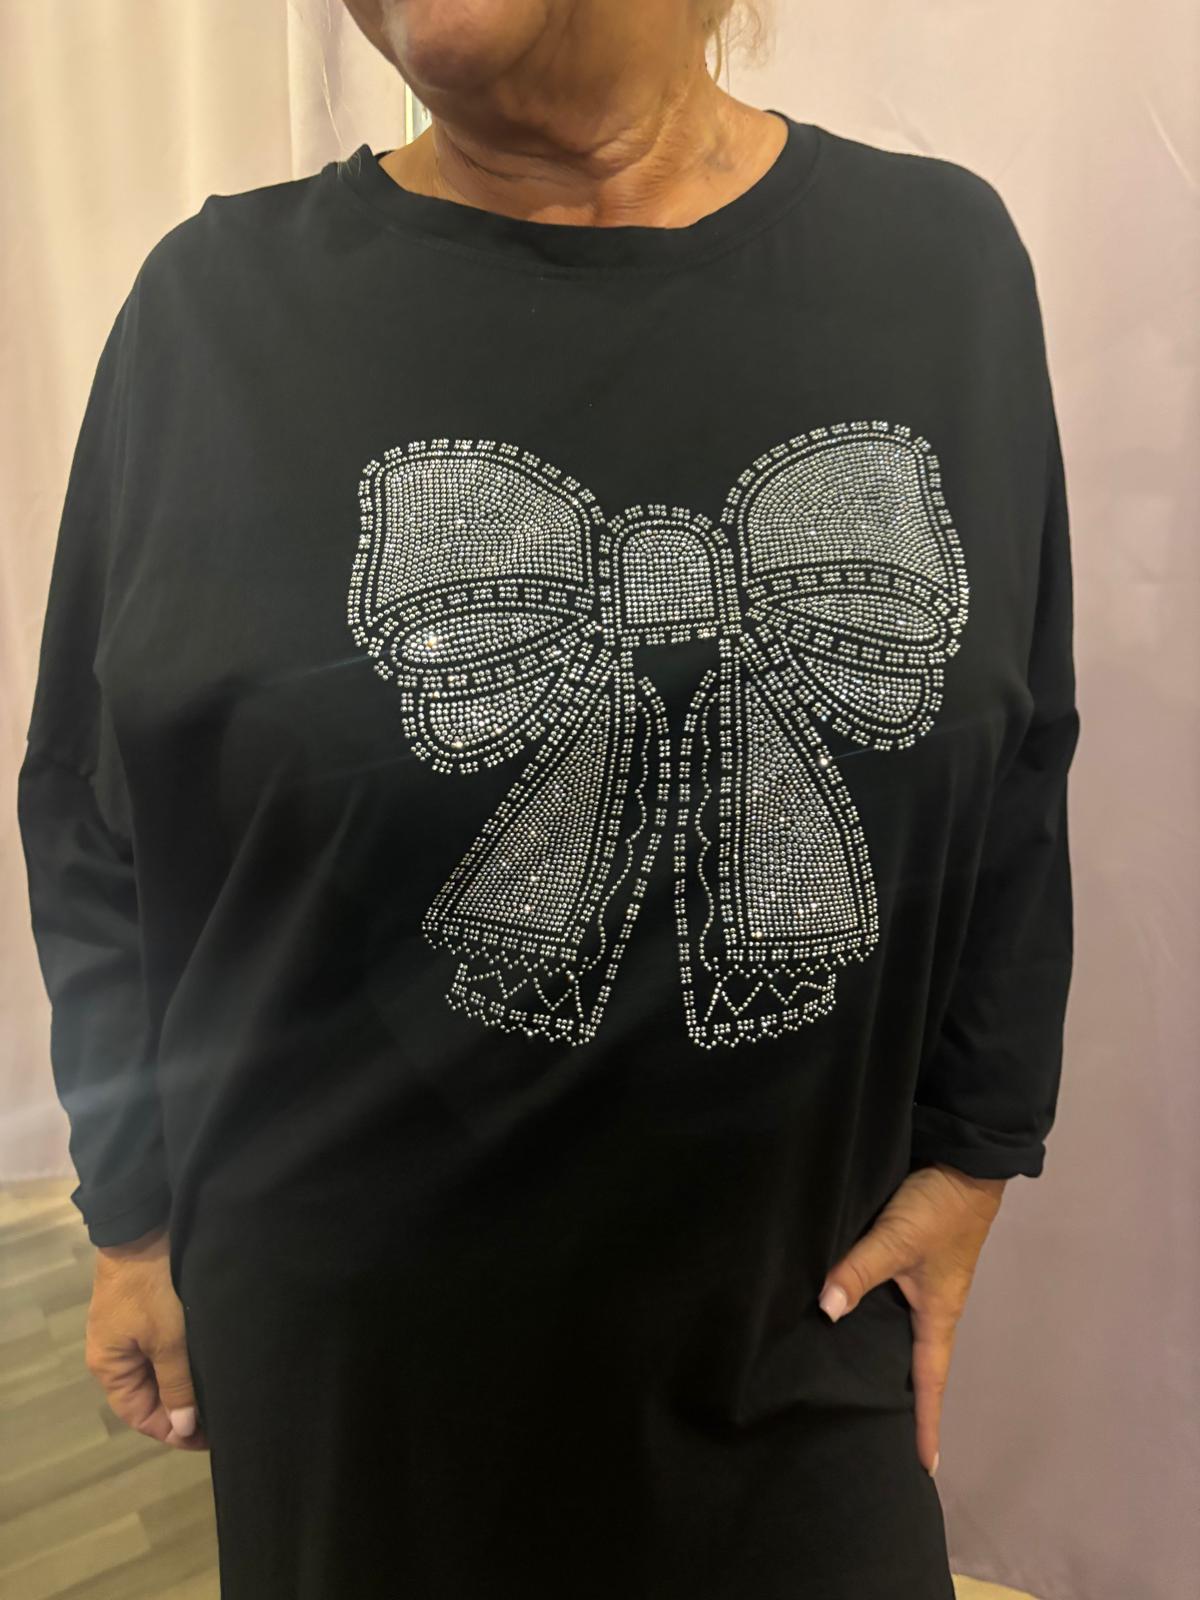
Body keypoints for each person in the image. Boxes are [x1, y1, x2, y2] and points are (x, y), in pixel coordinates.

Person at [16, 1, 1080, 1595]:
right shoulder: (210, 311)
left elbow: (1023, 753)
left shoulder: (944, 268)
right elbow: (88, 806)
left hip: (797, 1345)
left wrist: (981, 1147)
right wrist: (133, 1220)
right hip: (350, 1383)